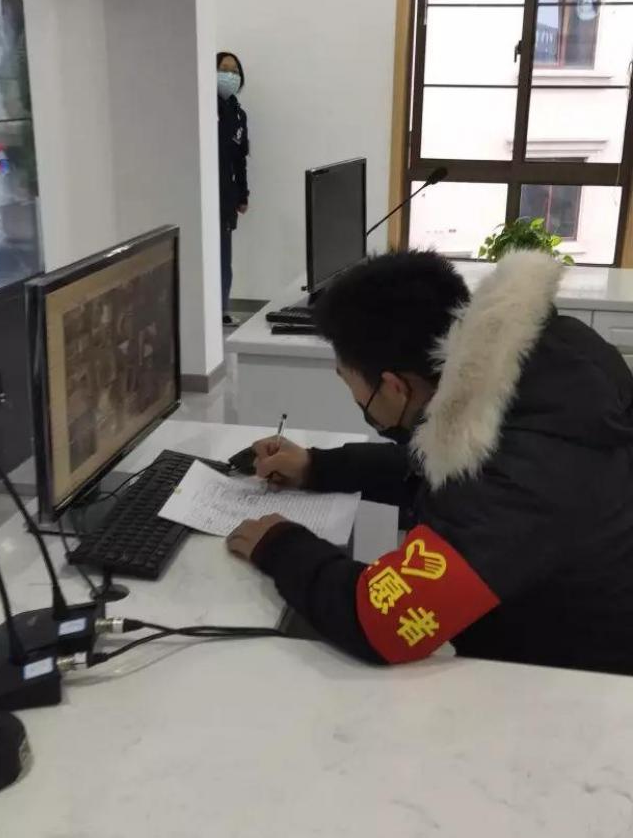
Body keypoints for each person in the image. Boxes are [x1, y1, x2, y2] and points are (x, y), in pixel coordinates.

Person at [227, 248, 633, 674]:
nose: (355, 399)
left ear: (394, 387)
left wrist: (279, 544)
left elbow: (380, 623)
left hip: (574, 682)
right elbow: (441, 466)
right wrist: (317, 467)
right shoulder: (544, 361)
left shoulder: (517, 477)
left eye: (350, 384)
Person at [217, 51, 249, 325]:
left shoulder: (239, 114)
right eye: (224, 69)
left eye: (235, 71)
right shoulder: (206, 110)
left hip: (227, 198)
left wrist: (243, 194)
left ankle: (222, 310)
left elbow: (240, 159)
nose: (230, 75)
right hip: (208, 196)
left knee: (224, 258)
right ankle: (209, 311)